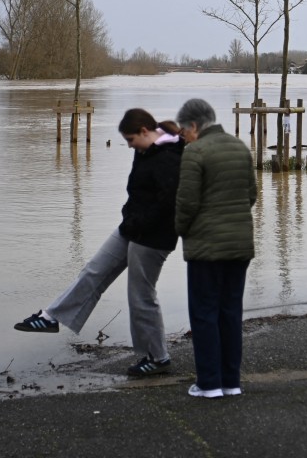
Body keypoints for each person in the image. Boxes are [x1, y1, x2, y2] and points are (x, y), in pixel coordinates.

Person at [14, 108, 184, 379]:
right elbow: (137, 192)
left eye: (130, 139)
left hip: (154, 237)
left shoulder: (169, 156)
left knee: (141, 296)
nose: (129, 145)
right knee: (94, 270)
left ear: (144, 131)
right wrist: (128, 216)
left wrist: (138, 222)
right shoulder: (145, 151)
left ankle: (158, 358)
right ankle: (51, 317)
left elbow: (169, 203)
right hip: (131, 228)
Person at [173, 98, 257, 398]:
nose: (184, 138)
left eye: (184, 131)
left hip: (206, 248)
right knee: (231, 312)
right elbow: (251, 194)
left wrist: (180, 229)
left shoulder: (195, 153)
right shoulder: (239, 147)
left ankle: (209, 384)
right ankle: (231, 382)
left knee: (204, 313)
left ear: (194, 126)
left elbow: (187, 203)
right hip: (240, 244)